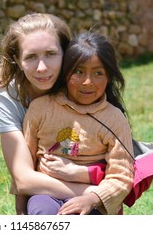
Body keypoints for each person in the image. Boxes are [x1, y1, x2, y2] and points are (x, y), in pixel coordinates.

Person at [0, 13, 98, 215]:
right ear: (17, 59)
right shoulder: (8, 96)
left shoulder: (84, 85)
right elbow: (23, 178)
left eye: (50, 53)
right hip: (48, 190)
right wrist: (94, 193)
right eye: (31, 57)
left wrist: (100, 194)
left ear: (66, 52)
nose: (42, 68)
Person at [23, 31, 135, 215]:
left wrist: (92, 200)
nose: (88, 82)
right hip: (45, 194)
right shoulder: (40, 109)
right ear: (65, 73)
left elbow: (122, 176)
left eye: (98, 73)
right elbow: (24, 166)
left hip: (93, 198)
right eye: (79, 71)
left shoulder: (114, 119)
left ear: (109, 77)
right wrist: (20, 213)